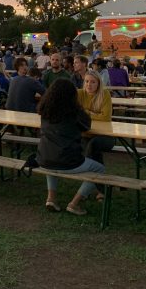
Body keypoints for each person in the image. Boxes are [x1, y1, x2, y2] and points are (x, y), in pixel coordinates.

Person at [35, 78, 105, 215]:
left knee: (52, 159)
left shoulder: (44, 111)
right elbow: (87, 125)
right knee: (99, 169)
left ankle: (51, 198)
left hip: (43, 159)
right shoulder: (74, 112)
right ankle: (75, 203)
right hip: (68, 162)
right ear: (72, 95)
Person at [77, 71, 115, 167]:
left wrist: (86, 112)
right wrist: (95, 114)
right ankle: (97, 176)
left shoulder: (104, 94)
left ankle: (92, 175)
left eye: (93, 82)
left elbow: (105, 117)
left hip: (105, 134)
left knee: (93, 145)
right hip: (86, 133)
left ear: (98, 83)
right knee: (89, 148)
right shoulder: (79, 93)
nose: (89, 85)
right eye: (87, 81)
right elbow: (75, 113)